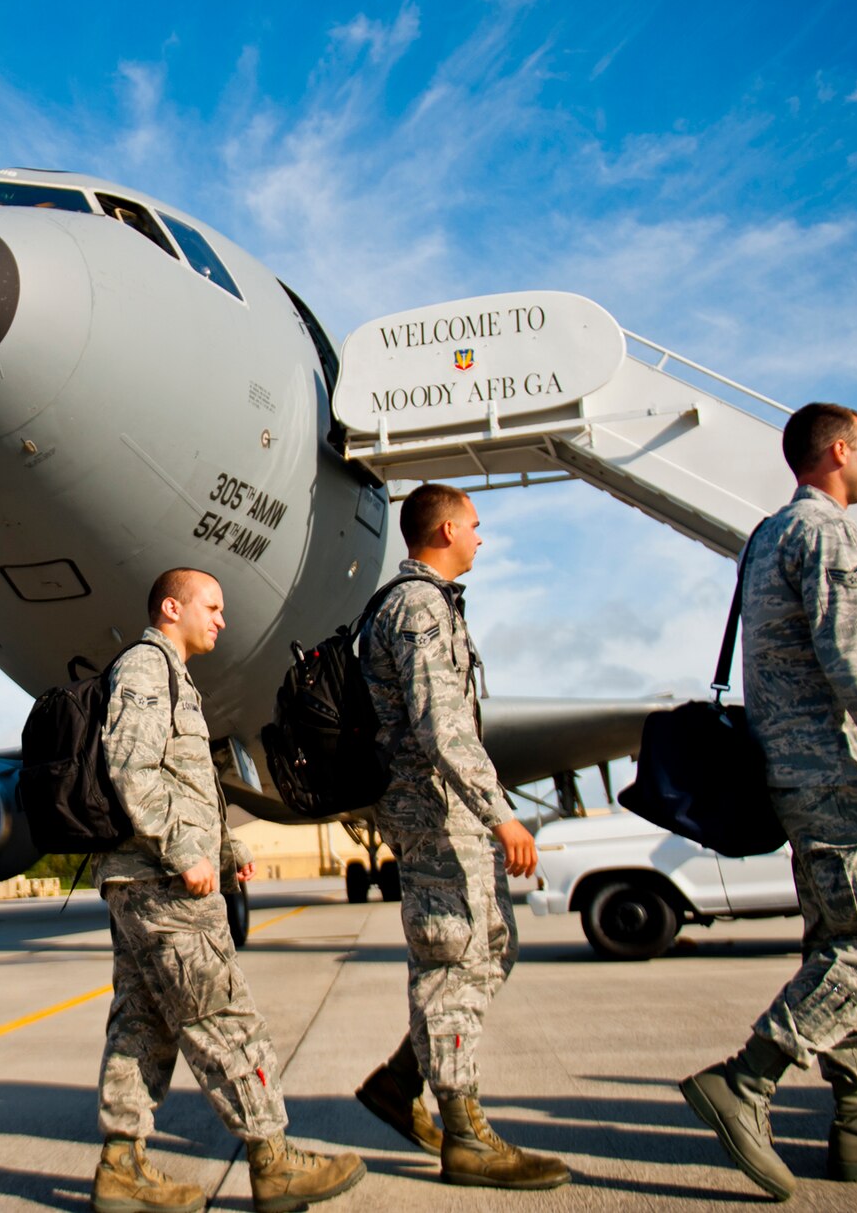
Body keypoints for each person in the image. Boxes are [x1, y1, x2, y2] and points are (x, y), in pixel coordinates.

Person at [680, 404, 857, 1199]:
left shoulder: (768, 534)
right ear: (839, 451)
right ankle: (747, 1079)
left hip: (794, 774)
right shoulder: (828, 532)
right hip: (835, 774)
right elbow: (854, 651)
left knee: (838, 944)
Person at [92, 567, 365, 1213]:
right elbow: (129, 767)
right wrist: (187, 853)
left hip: (146, 875)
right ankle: (273, 1161)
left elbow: (180, 779)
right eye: (211, 606)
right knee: (223, 1015)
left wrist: (224, 845)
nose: (221, 619)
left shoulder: (171, 676)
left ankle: (121, 1167)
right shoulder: (145, 668)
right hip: (162, 882)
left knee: (143, 1023)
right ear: (171, 606)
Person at [356, 484, 569, 1190]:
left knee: (490, 951)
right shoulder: (417, 605)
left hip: (448, 816)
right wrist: (501, 812)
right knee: (453, 964)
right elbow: (441, 723)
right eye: (475, 525)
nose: (482, 536)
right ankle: (465, 1130)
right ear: (447, 528)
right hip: (437, 817)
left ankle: (401, 1077)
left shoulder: (430, 602)